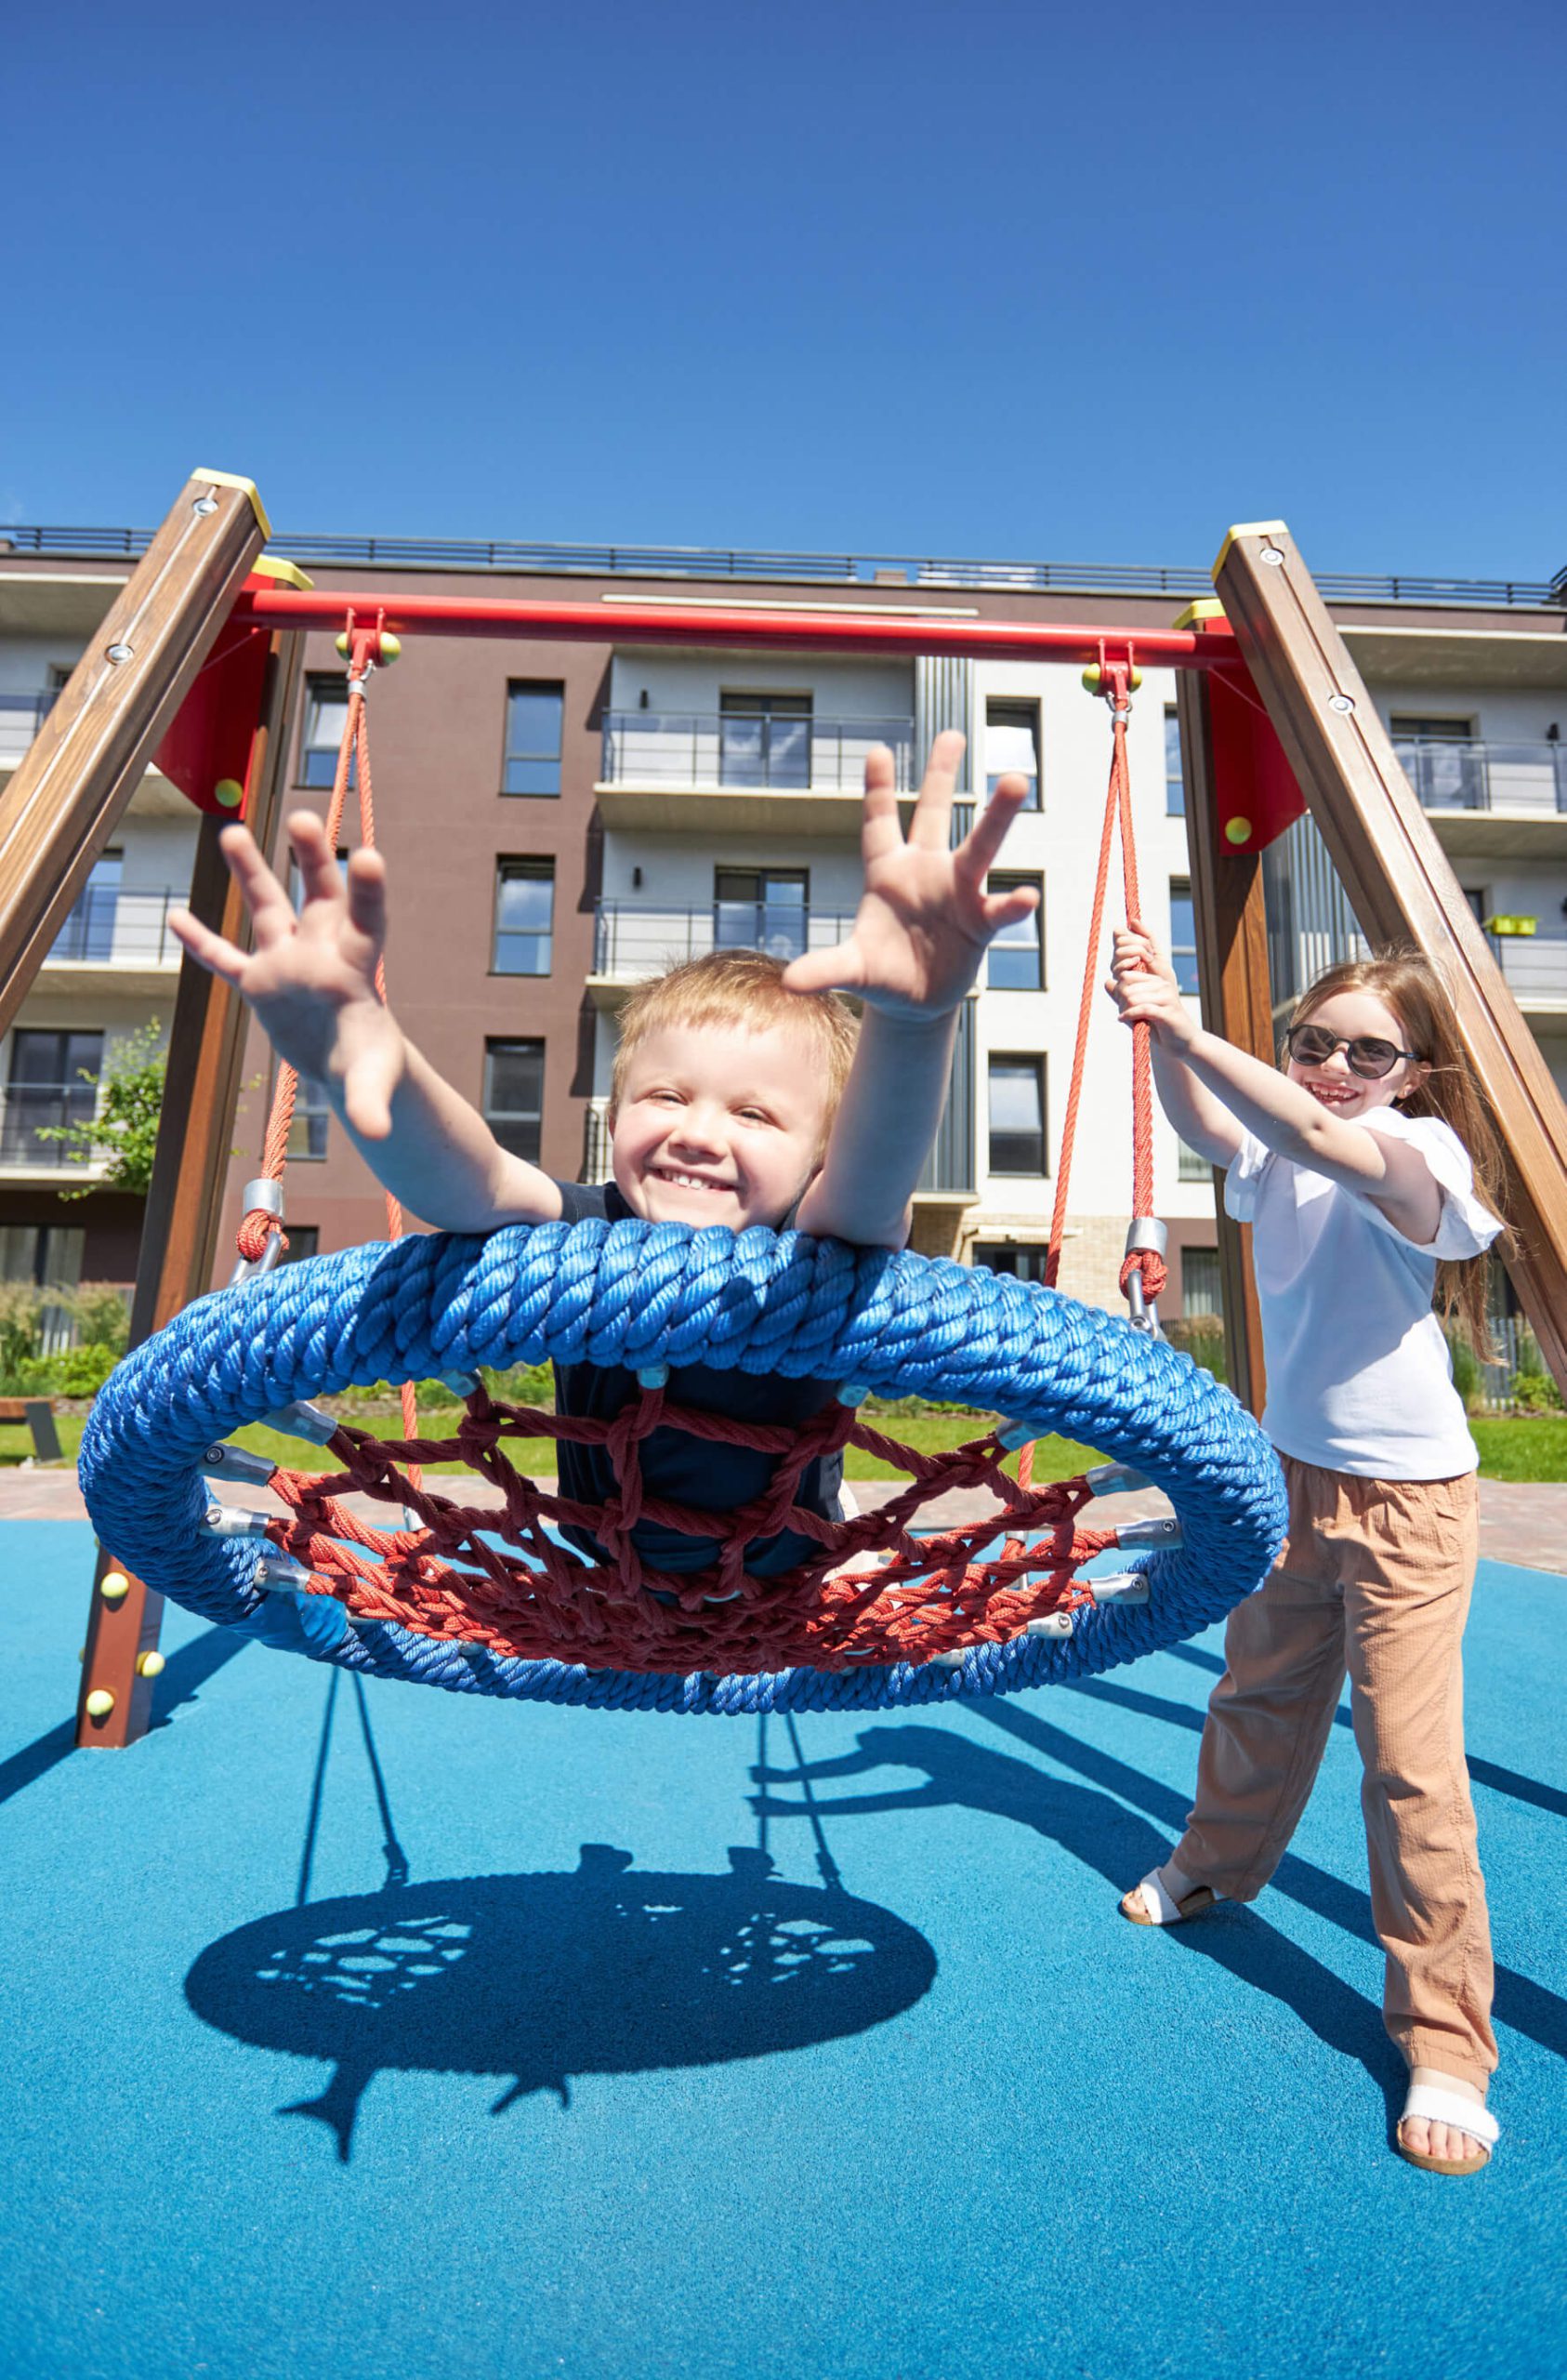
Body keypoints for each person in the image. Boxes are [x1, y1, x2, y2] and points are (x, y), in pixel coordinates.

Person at [168, 730, 1036, 1580]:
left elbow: (877, 1167)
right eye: (665, 1097)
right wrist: (363, 1052)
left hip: (789, 1566)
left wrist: (918, 1021)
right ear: (615, 1114)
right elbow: (465, 1183)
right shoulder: (594, 1230)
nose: (699, 1132)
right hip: (601, 1558)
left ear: (819, 1159)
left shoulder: (819, 1240)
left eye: (755, 1114)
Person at [1103, 927, 1508, 2178]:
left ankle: (1444, 2038)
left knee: (1408, 1766)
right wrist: (1156, 1029)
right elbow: (1207, 1119)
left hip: (1409, 1500)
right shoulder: (1270, 1151)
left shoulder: (1418, 1154)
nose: (1335, 1065)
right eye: (1314, 1043)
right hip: (1290, 1475)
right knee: (1256, 1692)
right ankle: (1215, 1866)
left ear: (1416, 1070)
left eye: (1366, 1050)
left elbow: (1315, 1137)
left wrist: (1190, 1028)